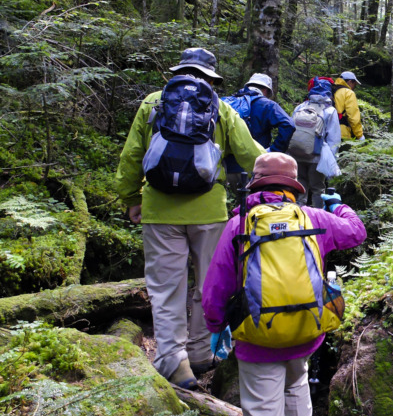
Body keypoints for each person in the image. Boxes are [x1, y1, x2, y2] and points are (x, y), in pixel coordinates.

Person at [202, 152, 366, 416]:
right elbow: (357, 231)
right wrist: (340, 208)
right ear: (293, 186)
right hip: (306, 332)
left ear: (255, 184)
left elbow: (215, 287)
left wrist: (215, 328)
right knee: (297, 381)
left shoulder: (239, 223)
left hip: (257, 342)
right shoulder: (312, 218)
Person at [115, 47, 264, 390]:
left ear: (178, 72)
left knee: (167, 288)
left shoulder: (154, 103)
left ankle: (173, 361)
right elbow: (253, 156)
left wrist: (131, 199)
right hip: (209, 212)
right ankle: (200, 352)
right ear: (211, 77)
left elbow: (131, 156)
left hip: (159, 210)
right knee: (209, 283)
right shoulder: (220, 108)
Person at [222, 73, 295, 183]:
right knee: (254, 199)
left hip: (227, 166)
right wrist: (274, 151)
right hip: (256, 167)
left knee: (235, 198)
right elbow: (288, 125)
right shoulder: (267, 104)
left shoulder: (228, 102)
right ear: (266, 90)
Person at [287, 77, 341, 208]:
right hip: (316, 156)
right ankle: (318, 216)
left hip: (296, 152)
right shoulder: (330, 110)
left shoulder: (301, 106)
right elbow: (334, 138)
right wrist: (331, 161)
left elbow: (290, 127)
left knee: (300, 185)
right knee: (317, 188)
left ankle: (298, 213)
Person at [333, 70, 365, 141]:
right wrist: (360, 135)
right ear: (350, 81)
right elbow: (353, 117)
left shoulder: (332, 90)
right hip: (341, 132)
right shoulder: (348, 93)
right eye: (354, 84)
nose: (354, 87)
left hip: (326, 131)